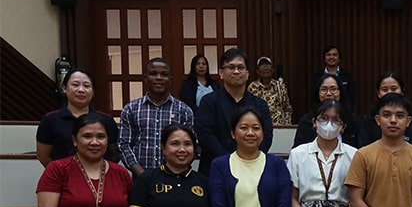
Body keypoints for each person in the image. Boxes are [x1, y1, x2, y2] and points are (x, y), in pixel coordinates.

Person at [286, 100, 358, 207]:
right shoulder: (298, 154)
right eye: (324, 118)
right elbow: (292, 198)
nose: (329, 124)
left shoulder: (354, 155)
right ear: (314, 122)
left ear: (343, 127)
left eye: (336, 120)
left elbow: (355, 201)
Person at [195, 48, 273, 176]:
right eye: (231, 67)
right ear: (221, 72)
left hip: (252, 169)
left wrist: (248, 160)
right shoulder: (209, 101)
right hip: (216, 169)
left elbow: (267, 136)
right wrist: (230, 162)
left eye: (241, 67)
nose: (236, 71)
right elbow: (205, 135)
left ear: (247, 73)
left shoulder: (260, 104)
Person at [118, 58, 194, 177]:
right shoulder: (131, 109)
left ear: (170, 80)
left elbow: (190, 146)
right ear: (145, 78)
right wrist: (142, 175)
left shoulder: (184, 111)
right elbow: (123, 145)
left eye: (164, 74)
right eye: (153, 74)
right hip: (140, 178)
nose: (158, 78)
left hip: (175, 178)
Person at [36, 69, 119, 167]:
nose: (81, 90)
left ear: (93, 92)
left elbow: (114, 155)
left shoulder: (106, 120)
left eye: (87, 86)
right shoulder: (50, 120)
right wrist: (60, 173)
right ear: (64, 88)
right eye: (75, 85)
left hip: (99, 178)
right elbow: (43, 156)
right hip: (63, 179)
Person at [293, 73, 359, 148]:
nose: (328, 93)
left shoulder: (353, 121)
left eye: (333, 89)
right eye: (324, 89)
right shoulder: (306, 121)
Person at [358, 72, 405, 147]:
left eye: (394, 89)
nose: (389, 93)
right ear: (378, 93)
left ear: (402, 91)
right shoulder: (368, 120)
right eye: (385, 89)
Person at [247, 56, 292, 126]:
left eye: (268, 65)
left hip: (279, 127)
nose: (265, 67)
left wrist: (286, 124)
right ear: (257, 71)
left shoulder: (280, 86)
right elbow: (248, 109)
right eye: (262, 65)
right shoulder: (252, 87)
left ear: (273, 69)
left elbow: (287, 108)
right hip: (260, 127)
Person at [311, 45, 357, 113]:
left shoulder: (348, 76)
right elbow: (313, 97)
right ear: (324, 58)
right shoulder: (317, 77)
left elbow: (351, 98)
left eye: (334, 55)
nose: (331, 57)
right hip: (321, 113)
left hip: (343, 113)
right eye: (328, 55)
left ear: (339, 58)